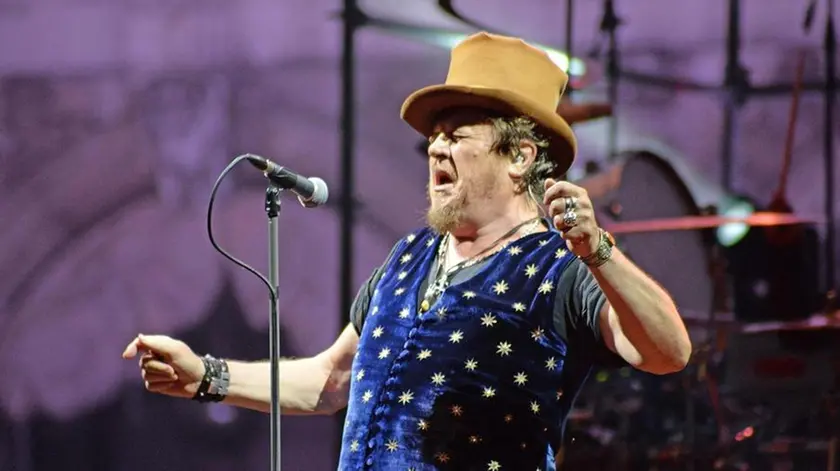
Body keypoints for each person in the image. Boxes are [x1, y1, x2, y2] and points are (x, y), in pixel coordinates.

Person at [122, 31, 691, 470]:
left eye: (457, 134)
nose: (435, 147)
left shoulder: (558, 270)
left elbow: (668, 352)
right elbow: (330, 381)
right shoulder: (408, 258)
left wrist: (599, 252)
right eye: (434, 135)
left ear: (518, 157)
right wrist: (206, 376)